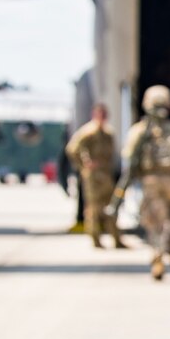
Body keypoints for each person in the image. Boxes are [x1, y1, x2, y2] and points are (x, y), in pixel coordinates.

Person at [122, 85, 170, 281]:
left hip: (151, 182)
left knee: (155, 221)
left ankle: (158, 254)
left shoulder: (139, 130)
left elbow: (128, 154)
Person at [65, 103, 125, 249]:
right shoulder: (87, 132)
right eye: (100, 114)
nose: (103, 117)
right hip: (93, 175)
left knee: (111, 206)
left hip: (106, 173)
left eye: (105, 115)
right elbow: (72, 149)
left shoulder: (108, 133)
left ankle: (116, 238)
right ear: (94, 115)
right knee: (93, 208)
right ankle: (95, 238)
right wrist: (84, 165)